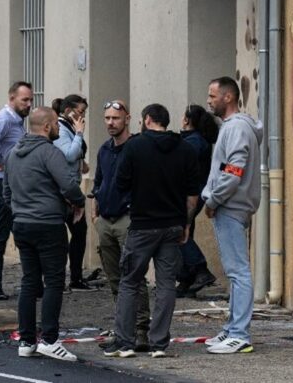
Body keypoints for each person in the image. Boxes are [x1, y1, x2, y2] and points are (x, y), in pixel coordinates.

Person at [101, 104, 198, 359]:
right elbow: (192, 194)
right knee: (166, 285)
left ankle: (124, 341)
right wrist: (186, 224)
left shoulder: (134, 147)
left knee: (130, 281)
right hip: (172, 225)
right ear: (166, 121)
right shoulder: (185, 149)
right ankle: (159, 343)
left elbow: (121, 183)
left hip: (143, 225)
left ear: (146, 120)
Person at [3, 106, 84, 362]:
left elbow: (6, 193)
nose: (59, 130)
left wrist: (20, 210)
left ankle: (26, 340)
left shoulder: (12, 154)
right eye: (57, 126)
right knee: (54, 281)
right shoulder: (50, 153)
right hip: (48, 224)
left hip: (22, 224)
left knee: (29, 282)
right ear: (47, 127)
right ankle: (49, 339)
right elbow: (69, 185)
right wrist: (78, 202)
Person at [201, 76, 263, 354]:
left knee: (238, 272)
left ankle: (239, 333)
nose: (208, 100)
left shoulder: (235, 128)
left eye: (213, 95)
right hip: (234, 205)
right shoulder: (237, 127)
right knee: (236, 272)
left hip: (230, 206)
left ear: (228, 97)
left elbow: (233, 170)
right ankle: (232, 329)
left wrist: (214, 199)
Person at [92, 100, 150, 352]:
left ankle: (140, 330)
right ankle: (122, 329)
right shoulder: (104, 149)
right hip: (106, 220)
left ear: (127, 118)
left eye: (115, 118)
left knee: (134, 277)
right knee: (114, 278)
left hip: (129, 219)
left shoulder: (137, 147)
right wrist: (95, 212)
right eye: (107, 118)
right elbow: (99, 181)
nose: (110, 123)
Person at [0, 81, 33, 300]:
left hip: (11, 183)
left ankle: (31, 284)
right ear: (12, 98)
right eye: (25, 100)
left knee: (22, 231)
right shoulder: (4, 118)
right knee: (0, 234)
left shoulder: (16, 120)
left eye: (31, 100)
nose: (29, 104)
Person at [51, 94, 94, 291]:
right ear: (68, 111)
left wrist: (81, 164)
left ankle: (75, 277)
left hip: (71, 187)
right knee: (62, 237)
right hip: (63, 192)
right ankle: (60, 279)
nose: (83, 116)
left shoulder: (67, 127)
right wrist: (79, 133)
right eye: (80, 112)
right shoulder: (61, 129)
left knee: (79, 233)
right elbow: (68, 154)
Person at [177, 104, 220, 297]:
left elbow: (183, 167)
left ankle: (200, 269)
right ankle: (187, 279)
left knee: (178, 232)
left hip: (188, 194)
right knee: (186, 232)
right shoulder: (197, 140)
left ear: (186, 120)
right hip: (194, 192)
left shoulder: (194, 142)